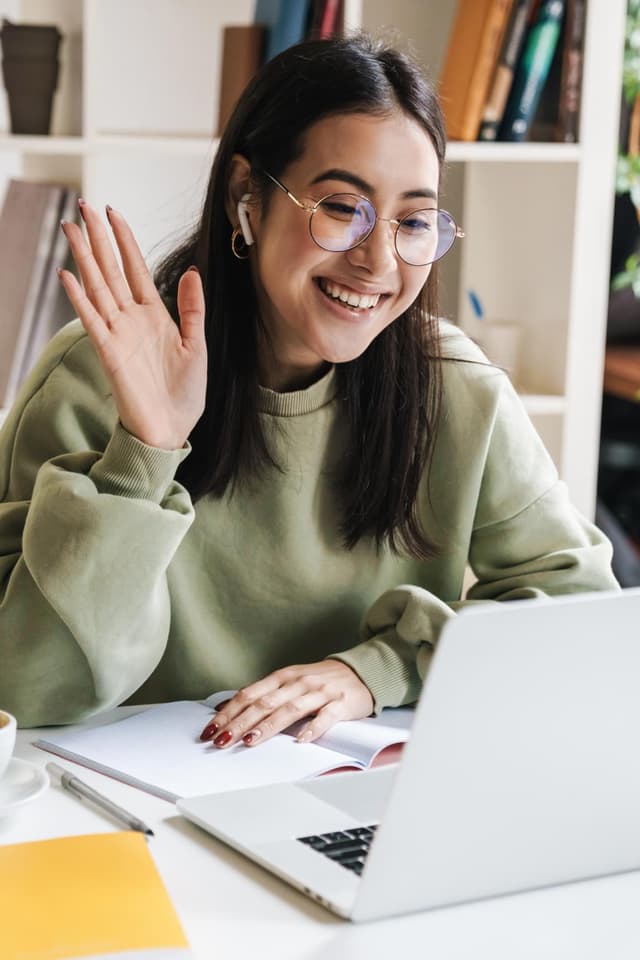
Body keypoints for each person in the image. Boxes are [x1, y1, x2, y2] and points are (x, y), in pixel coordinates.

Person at [0, 35, 617, 742]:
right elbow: (24, 688)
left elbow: (579, 619)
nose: (377, 260)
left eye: (413, 222)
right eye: (340, 206)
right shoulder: (94, 376)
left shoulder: (456, 389)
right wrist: (147, 451)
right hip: (130, 812)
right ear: (248, 199)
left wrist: (383, 669)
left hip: (359, 795)